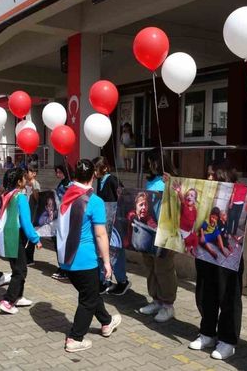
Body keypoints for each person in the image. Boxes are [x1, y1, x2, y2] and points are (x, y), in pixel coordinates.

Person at [188, 160, 247, 360]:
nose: (209, 178)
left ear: (224, 174)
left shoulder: (240, 191)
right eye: (208, 174)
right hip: (204, 254)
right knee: (205, 294)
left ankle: (227, 340)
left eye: (213, 174)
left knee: (228, 297)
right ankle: (207, 332)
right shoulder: (204, 190)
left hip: (228, 261)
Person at [57, 159, 122, 353]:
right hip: (84, 259)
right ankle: (75, 338)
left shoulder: (67, 193)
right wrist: (107, 262)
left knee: (90, 292)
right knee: (88, 299)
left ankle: (107, 322)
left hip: (66, 258)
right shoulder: (94, 201)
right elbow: (101, 234)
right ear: (93, 176)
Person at [137, 151, 178, 323]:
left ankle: (168, 305)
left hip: (165, 231)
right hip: (149, 230)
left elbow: (178, 202)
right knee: (150, 266)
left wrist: (172, 185)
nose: (150, 165)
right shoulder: (151, 181)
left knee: (164, 268)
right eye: (149, 162)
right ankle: (156, 300)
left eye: (152, 162)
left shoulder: (172, 181)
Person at [0, 168, 42, 314]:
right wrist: (36, 239)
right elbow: (26, 223)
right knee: (20, 270)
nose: (26, 179)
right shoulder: (21, 197)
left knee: (19, 268)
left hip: (9, 235)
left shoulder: (7, 194)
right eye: (23, 177)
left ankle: (18, 296)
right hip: (16, 236)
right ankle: (8, 300)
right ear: (19, 181)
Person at [92, 156, 130, 296]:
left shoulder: (112, 180)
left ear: (105, 168)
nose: (95, 172)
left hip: (114, 224)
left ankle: (122, 281)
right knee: (102, 252)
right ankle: (104, 280)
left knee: (115, 252)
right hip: (104, 223)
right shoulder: (100, 181)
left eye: (97, 169)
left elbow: (123, 196)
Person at [52, 165, 71, 281]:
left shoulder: (69, 184)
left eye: (59, 172)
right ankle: (62, 266)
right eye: (56, 172)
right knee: (57, 242)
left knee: (62, 243)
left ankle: (65, 269)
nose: (58, 174)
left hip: (66, 217)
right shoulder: (62, 183)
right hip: (59, 215)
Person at [23, 163, 40, 265]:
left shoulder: (36, 184)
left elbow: (37, 198)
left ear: (34, 173)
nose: (26, 173)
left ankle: (30, 258)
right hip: (26, 212)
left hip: (32, 213)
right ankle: (25, 256)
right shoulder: (25, 183)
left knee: (30, 237)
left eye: (28, 171)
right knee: (25, 235)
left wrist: (33, 188)